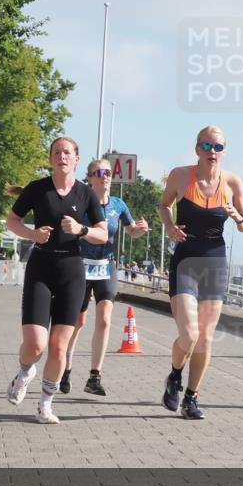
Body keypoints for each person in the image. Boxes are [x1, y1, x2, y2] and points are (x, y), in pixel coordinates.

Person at [4, 137, 108, 424]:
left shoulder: (86, 194)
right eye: (57, 152)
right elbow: (11, 220)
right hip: (41, 265)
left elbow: (103, 234)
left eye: (67, 152)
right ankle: (25, 372)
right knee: (36, 344)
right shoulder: (38, 189)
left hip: (72, 270)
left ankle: (45, 404)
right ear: (51, 158)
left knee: (59, 347)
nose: (62, 156)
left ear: (76, 158)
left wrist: (81, 229)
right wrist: (32, 235)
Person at [159, 125, 243, 420]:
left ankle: (191, 397)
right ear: (197, 148)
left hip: (214, 261)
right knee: (188, 334)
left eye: (218, 147)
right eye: (207, 146)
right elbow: (164, 205)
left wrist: (239, 219)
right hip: (185, 259)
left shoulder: (233, 182)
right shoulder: (180, 176)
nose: (213, 152)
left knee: (205, 339)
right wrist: (170, 226)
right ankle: (175, 375)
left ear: (224, 152)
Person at [61, 158, 149, 396]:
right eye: (99, 172)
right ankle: (65, 367)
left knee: (105, 319)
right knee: (78, 321)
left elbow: (131, 231)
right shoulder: (81, 202)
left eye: (109, 172)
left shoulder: (118, 205)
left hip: (106, 267)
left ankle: (94, 376)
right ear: (89, 177)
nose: (105, 176)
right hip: (81, 264)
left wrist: (140, 230)